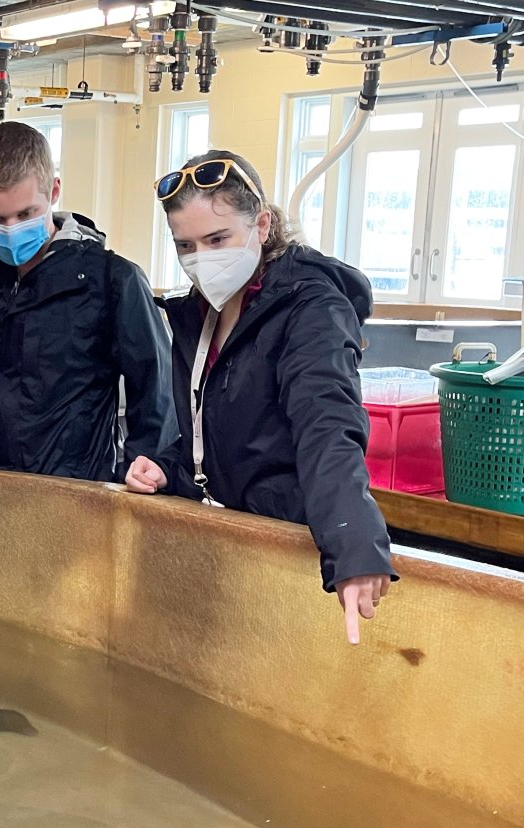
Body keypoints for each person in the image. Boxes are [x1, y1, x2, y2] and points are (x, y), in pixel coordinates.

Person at [125, 149, 394, 644]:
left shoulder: (312, 308)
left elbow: (327, 424)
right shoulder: (201, 312)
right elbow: (226, 430)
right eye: (186, 246)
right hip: (224, 541)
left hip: (286, 544)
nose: (202, 259)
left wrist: (353, 544)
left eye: (218, 239)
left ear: (263, 224)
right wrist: (170, 465)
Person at [0, 121, 177, 483]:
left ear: (53, 190)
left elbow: (156, 398)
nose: (11, 228)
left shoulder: (111, 282)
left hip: (75, 494)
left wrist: (142, 475)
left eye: (25, 214)